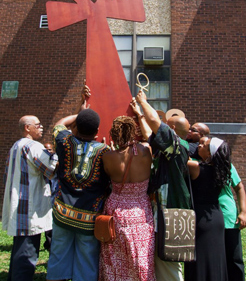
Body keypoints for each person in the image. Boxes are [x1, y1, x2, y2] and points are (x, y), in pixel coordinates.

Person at [46, 107, 111, 281]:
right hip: (89, 217)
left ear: (76, 127)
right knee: (87, 257)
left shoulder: (64, 142)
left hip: (62, 213)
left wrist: (80, 114)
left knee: (58, 251)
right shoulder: (105, 151)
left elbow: (59, 124)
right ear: (97, 131)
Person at [133, 91, 191, 281]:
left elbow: (154, 123)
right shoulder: (171, 147)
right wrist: (140, 115)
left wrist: (143, 101)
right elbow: (150, 132)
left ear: (171, 128)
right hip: (165, 214)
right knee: (161, 262)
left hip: (173, 215)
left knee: (170, 266)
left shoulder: (177, 146)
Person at [99, 115, 156, 281]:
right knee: (141, 253)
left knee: (114, 255)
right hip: (141, 209)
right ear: (133, 131)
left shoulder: (108, 156)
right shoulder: (146, 151)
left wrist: (108, 148)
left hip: (116, 209)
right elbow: (148, 137)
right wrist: (139, 114)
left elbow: (108, 176)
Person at [2, 115, 58, 281]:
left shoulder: (16, 146)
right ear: (28, 128)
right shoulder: (33, 146)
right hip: (29, 210)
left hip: (18, 206)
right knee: (27, 254)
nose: (41, 128)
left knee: (19, 251)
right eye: (38, 125)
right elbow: (51, 169)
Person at [184, 137, 232, 281]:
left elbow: (179, 158)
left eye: (205, 145)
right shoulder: (221, 170)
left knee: (199, 260)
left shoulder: (195, 167)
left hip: (201, 219)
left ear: (210, 154)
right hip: (216, 217)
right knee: (215, 258)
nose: (200, 145)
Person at [43, 142, 59, 252]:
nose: (48, 152)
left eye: (50, 150)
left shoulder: (56, 158)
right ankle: (49, 243)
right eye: (46, 150)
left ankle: (50, 244)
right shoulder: (44, 160)